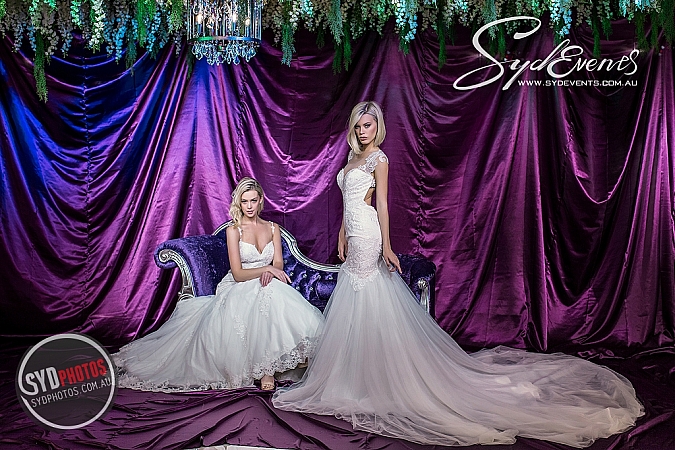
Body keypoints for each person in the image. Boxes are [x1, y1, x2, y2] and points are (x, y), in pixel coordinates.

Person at [272, 101, 644, 447]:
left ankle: (379, 378)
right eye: (358, 125)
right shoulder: (353, 157)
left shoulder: (378, 159)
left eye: (368, 125)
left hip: (369, 236)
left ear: (377, 127)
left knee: (368, 296)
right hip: (352, 236)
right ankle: (357, 375)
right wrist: (341, 233)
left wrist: (387, 246)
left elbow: (381, 204)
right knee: (355, 297)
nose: (362, 130)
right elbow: (348, 203)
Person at [114, 177, 324, 392]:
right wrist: (266, 270)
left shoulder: (272, 228)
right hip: (239, 283)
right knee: (263, 294)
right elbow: (238, 273)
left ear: (261, 200)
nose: (249, 206)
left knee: (273, 293)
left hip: (266, 281)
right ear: (239, 203)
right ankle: (265, 371)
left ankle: (280, 363)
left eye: (253, 201)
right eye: (244, 201)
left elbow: (278, 262)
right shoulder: (234, 230)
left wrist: (272, 270)